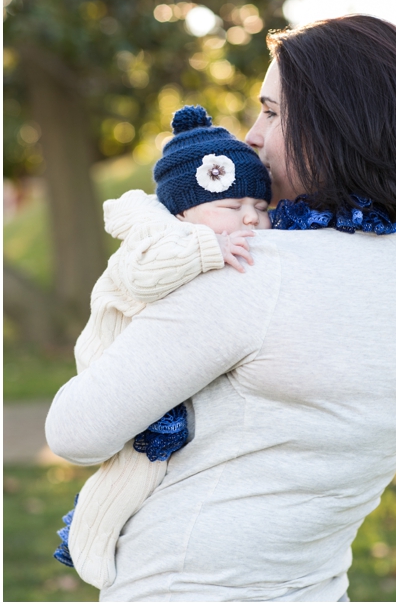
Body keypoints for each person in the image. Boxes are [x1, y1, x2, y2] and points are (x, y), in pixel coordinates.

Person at [45, 13, 396, 601]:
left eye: (275, 112)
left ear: (342, 126)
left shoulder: (254, 268)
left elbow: (75, 430)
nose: (252, 135)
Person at [53, 104, 272, 589]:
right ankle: (88, 537)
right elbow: (143, 278)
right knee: (137, 464)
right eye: (233, 208)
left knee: (155, 469)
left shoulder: (208, 236)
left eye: (260, 208)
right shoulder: (158, 237)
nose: (251, 219)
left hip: (156, 367)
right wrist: (206, 250)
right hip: (110, 360)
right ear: (183, 212)